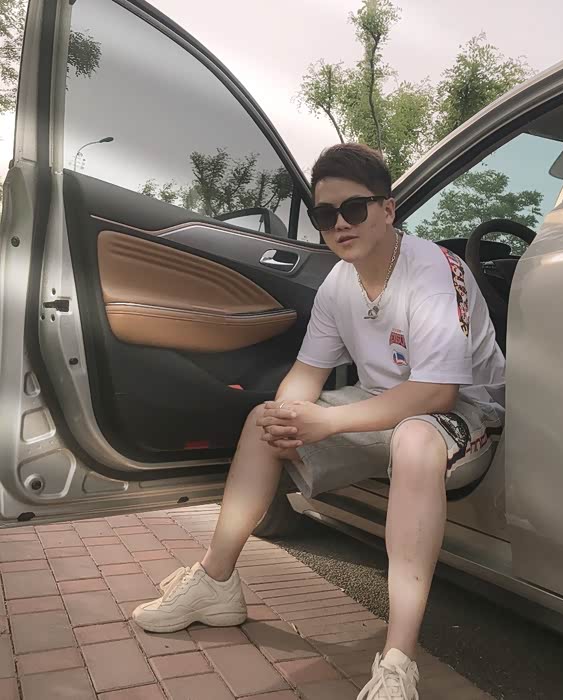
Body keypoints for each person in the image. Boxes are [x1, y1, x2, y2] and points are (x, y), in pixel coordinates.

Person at [132, 143, 505, 700]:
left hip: (462, 412)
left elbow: (437, 391)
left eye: (353, 209)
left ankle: (398, 661)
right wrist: (288, 418)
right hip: (380, 402)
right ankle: (215, 580)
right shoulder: (338, 283)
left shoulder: (432, 270)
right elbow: (307, 373)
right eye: (325, 215)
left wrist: (328, 424)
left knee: (414, 438)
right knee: (264, 420)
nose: (339, 225)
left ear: (388, 210)